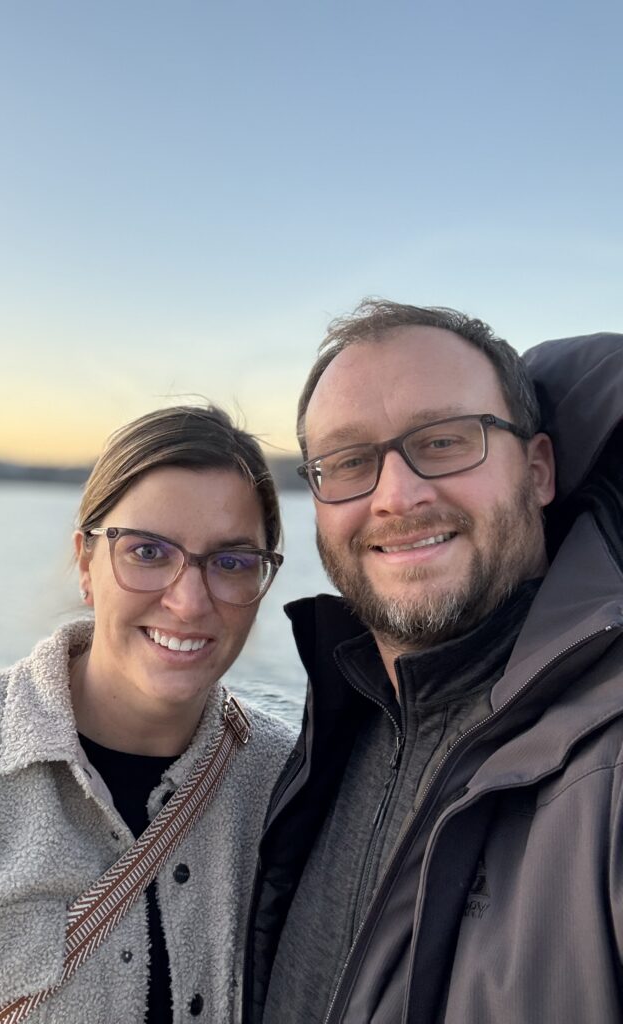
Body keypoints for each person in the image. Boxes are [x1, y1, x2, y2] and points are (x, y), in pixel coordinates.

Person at [243, 299, 623, 1024]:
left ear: (538, 470)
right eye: (350, 461)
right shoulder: (337, 733)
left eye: (446, 441)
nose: (397, 496)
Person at [0, 405, 294, 1024]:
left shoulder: (282, 782)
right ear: (87, 564)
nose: (190, 601)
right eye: (147, 551)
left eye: (231, 562)